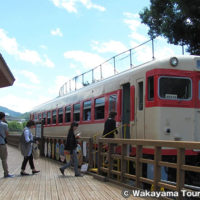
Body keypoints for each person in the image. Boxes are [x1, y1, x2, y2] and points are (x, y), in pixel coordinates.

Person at [0, 112, 13, 178]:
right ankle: (6, 173)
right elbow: (7, 134)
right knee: (4, 159)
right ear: (3, 117)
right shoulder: (4, 125)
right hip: (2, 144)